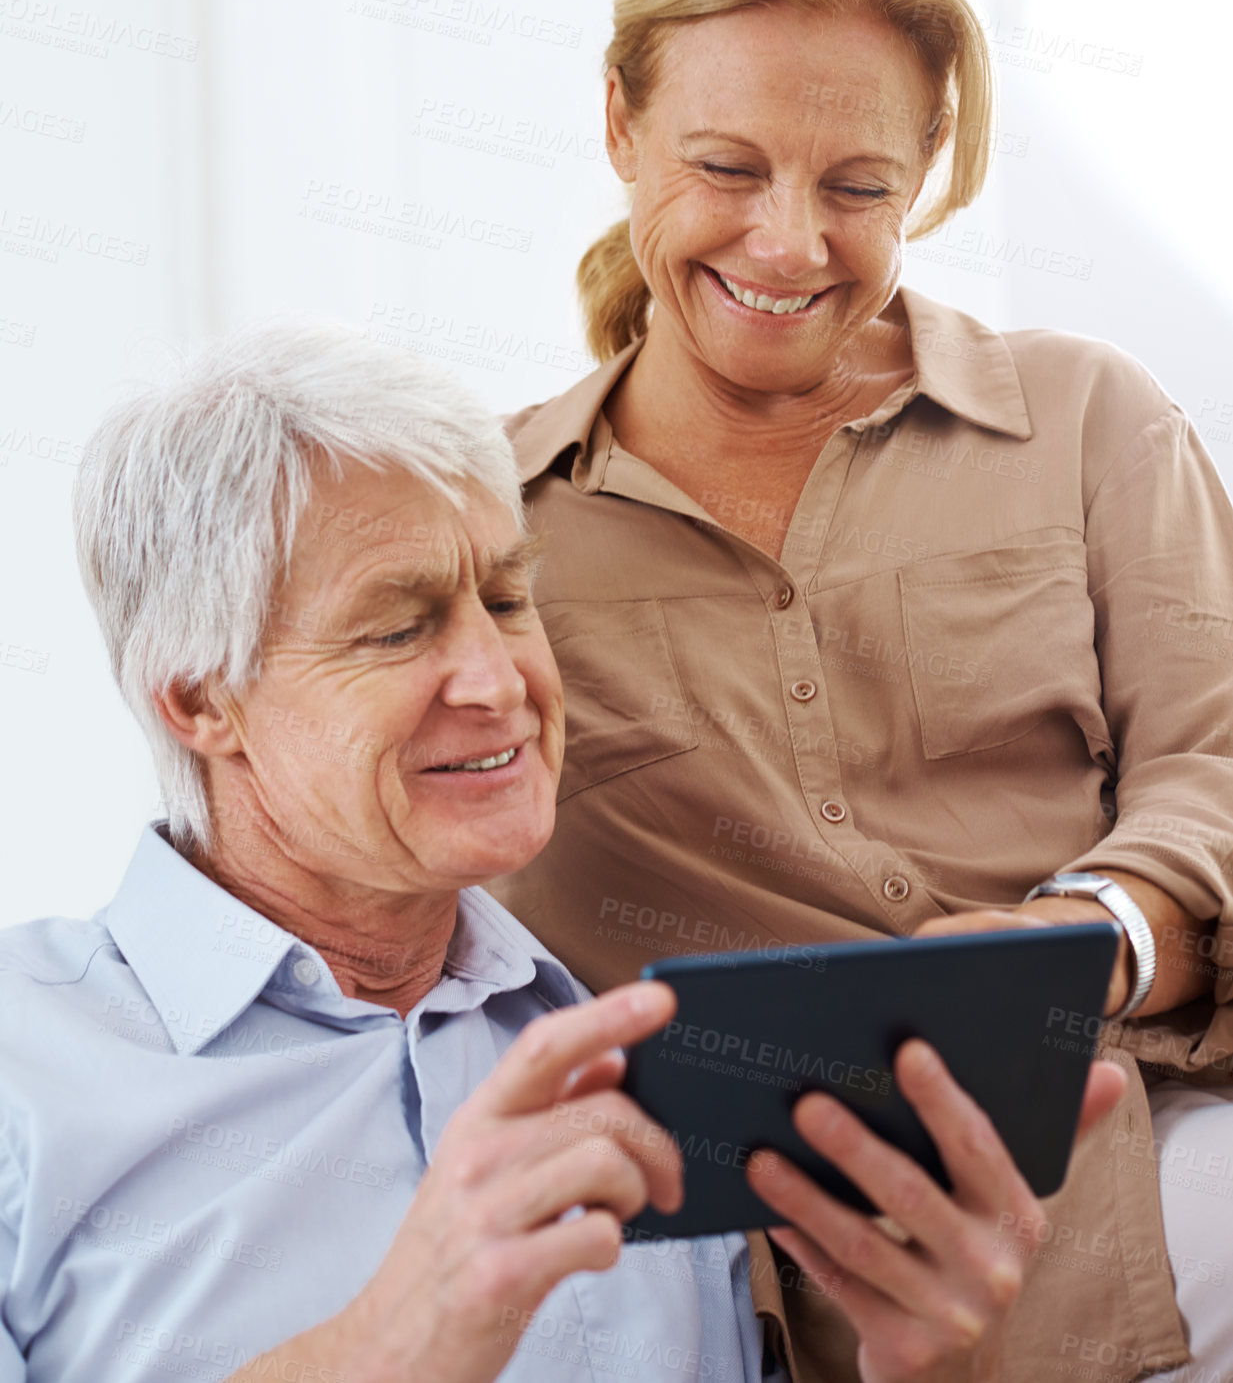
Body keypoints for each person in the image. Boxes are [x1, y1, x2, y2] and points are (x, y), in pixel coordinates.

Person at [0, 323, 1121, 1383]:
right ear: (202, 700)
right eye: (397, 629)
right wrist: (397, 1343)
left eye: (505, 597)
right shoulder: (26, 1068)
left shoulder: (641, 1053)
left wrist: (941, 1369)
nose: (500, 683)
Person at [488, 0, 1233, 1383]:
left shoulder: (1085, 421)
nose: (785, 245)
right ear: (620, 124)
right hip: (740, 1281)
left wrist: (1089, 936)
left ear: (927, 170)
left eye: (855, 186)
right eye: (725, 166)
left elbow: (1215, 762)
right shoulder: (488, 529)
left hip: (1145, 1165)